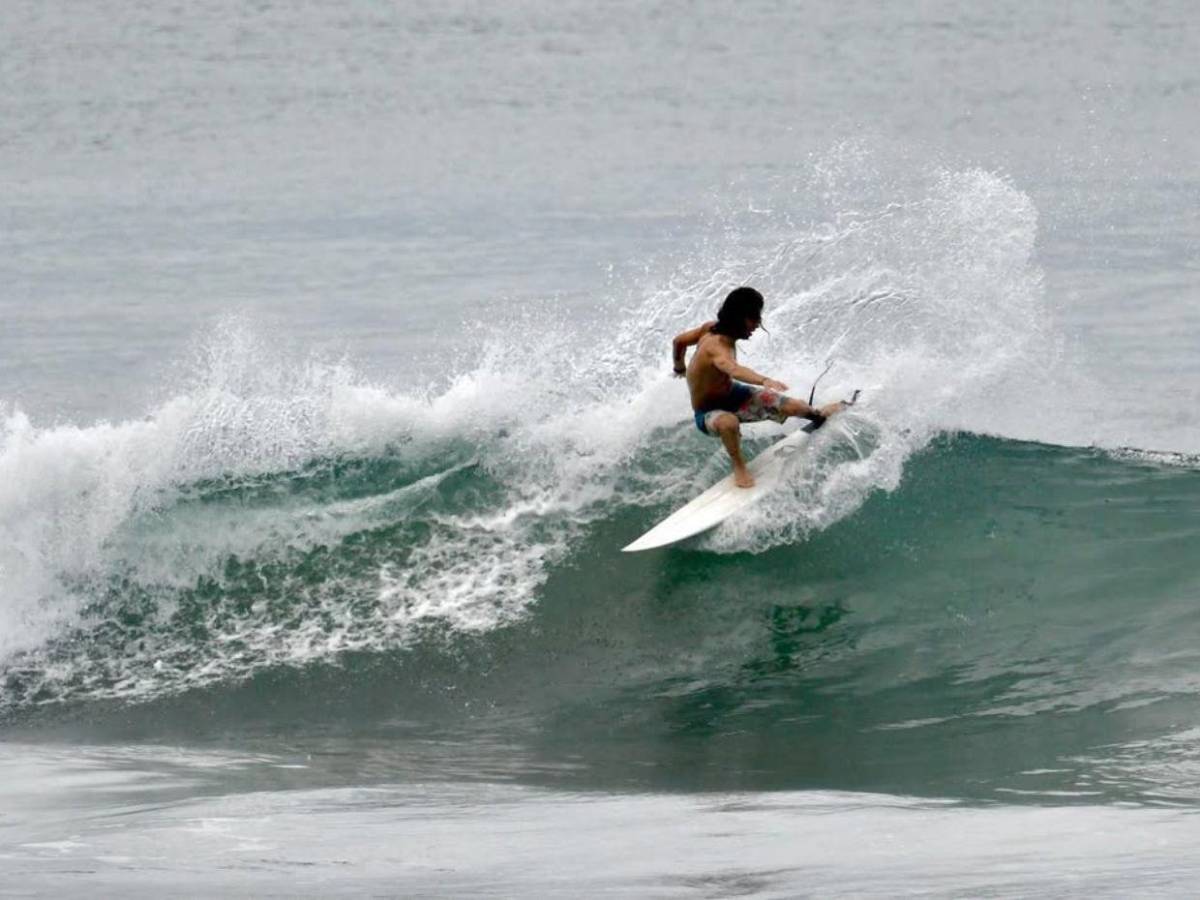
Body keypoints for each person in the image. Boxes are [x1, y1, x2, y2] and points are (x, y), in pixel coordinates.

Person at [672, 287, 845, 488]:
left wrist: (679, 367)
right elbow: (734, 369)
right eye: (753, 318)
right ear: (738, 318)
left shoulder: (710, 328)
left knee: (797, 408)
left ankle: (818, 414)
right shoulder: (717, 348)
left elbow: (679, 341)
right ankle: (739, 466)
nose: (757, 324)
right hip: (708, 411)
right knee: (728, 422)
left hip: (736, 395)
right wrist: (763, 380)